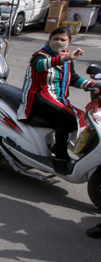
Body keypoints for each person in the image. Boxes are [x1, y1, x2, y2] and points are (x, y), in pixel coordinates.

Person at [17, 26, 97, 175]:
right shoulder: (40, 56)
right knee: (66, 118)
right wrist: (66, 58)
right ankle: (60, 156)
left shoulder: (67, 57)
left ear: (69, 42)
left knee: (81, 118)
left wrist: (93, 85)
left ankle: (60, 146)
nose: (59, 42)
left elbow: (73, 79)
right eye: (56, 39)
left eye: (63, 40)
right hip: (37, 98)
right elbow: (39, 66)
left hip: (57, 98)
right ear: (49, 39)